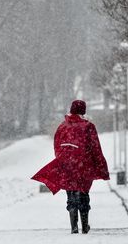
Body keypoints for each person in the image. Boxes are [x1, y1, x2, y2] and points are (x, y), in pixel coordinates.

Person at [32, 100, 109, 234]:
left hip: (68, 166)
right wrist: (101, 166)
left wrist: (63, 159)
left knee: (71, 195)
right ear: (83, 111)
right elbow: (96, 148)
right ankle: (85, 226)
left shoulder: (62, 126)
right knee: (84, 194)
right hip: (84, 166)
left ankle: (74, 226)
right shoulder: (88, 126)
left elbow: (57, 146)